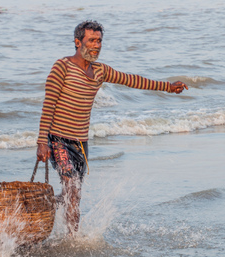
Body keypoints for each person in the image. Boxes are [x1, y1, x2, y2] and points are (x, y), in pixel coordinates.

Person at [36, 20, 188, 235]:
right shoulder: (61, 67)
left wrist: (167, 87)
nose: (96, 45)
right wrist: (42, 142)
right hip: (58, 139)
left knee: (74, 194)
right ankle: (73, 239)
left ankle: (50, 206)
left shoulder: (100, 71)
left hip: (81, 143)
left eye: (99, 41)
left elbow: (131, 80)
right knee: (72, 188)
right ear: (78, 42)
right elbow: (48, 105)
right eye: (91, 41)